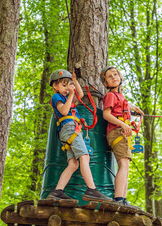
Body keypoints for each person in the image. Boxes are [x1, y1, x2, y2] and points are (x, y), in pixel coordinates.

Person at [47, 69, 112, 202]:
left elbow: (81, 94)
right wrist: (71, 94)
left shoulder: (66, 98)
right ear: (55, 86)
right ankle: (92, 190)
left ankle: (57, 191)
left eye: (68, 85)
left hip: (72, 129)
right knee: (84, 156)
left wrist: (75, 81)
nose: (67, 88)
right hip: (69, 128)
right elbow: (64, 111)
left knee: (73, 163)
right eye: (63, 85)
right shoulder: (57, 97)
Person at [100, 66, 144, 206]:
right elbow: (106, 114)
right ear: (106, 83)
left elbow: (124, 103)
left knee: (126, 164)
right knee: (123, 164)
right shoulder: (110, 96)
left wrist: (135, 109)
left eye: (115, 74)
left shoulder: (120, 96)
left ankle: (123, 199)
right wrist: (123, 125)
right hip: (117, 131)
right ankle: (119, 198)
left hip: (122, 132)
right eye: (110, 76)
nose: (114, 77)